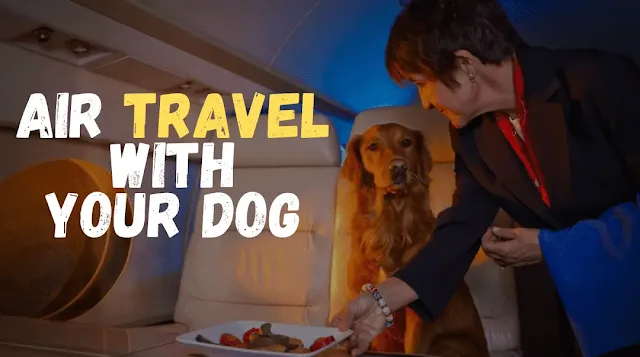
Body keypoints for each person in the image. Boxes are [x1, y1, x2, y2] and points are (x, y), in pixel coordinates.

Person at [332, 0, 640, 356]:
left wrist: (549, 245)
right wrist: (381, 301)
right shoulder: (471, 136)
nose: (425, 102)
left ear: (465, 65)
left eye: (422, 84)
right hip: (585, 308)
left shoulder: (603, 83)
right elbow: (460, 229)